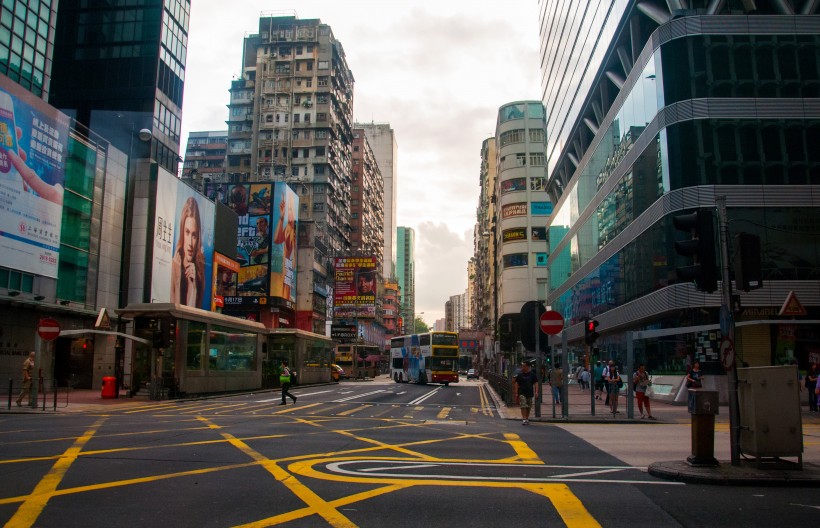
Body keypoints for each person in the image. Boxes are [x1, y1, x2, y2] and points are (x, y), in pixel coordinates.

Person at [170, 196, 205, 307]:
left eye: (194, 235)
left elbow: (193, 318)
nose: (190, 242)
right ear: (182, 232)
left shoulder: (200, 272)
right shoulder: (174, 264)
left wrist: (193, 288)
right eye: (187, 232)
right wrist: (177, 281)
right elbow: (172, 314)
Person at [273, 191, 296, 299]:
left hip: (286, 271)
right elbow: (277, 240)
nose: (289, 213)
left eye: (290, 210)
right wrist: (281, 217)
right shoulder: (288, 227)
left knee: (285, 294)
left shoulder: (293, 232)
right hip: (283, 270)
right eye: (288, 209)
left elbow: (294, 261)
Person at [513, 361, 538, 425]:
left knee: (528, 407)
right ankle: (524, 418)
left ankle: (527, 418)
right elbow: (516, 383)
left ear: (528, 367)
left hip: (530, 393)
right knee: (523, 405)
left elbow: (536, 383)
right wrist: (516, 393)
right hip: (522, 393)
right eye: (522, 366)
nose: (522, 367)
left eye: (524, 366)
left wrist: (536, 392)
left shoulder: (532, 375)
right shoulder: (520, 375)